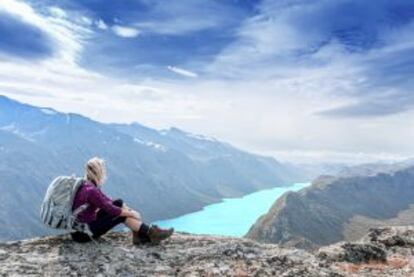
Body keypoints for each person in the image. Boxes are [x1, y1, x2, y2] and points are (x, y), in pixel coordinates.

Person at [70, 157, 173, 244]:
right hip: (83, 234)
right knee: (120, 215)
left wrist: (128, 211)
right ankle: (150, 233)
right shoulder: (91, 191)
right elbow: (111, 210)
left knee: (118, 202)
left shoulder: (84, 184)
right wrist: (132, 214)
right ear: (99, 172)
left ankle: (140, 235)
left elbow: (108, 201)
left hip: (78, 229)